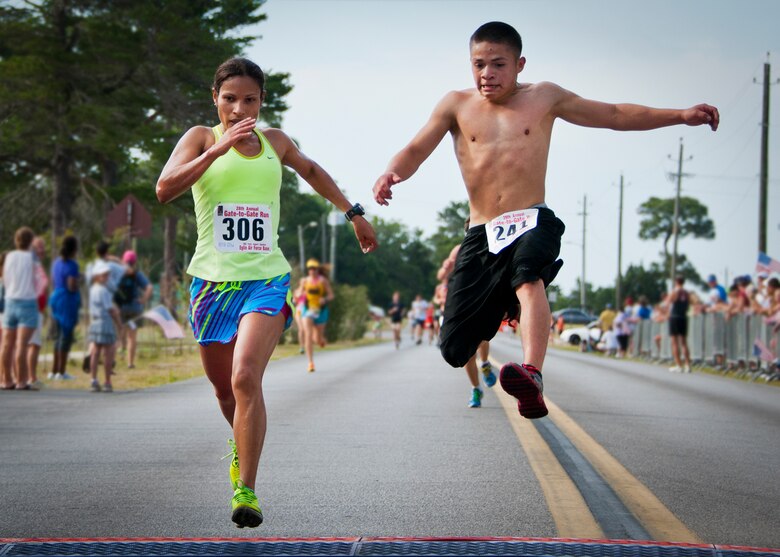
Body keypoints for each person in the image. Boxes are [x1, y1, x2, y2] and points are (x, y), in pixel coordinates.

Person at [372, 21, 718, 419]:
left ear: (520, 64)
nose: (488, 74)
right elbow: (416, 147)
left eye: (498, 64)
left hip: (530, 219)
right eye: (479, 64)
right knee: (454, 350)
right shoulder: (456, 105)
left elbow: (614, 114)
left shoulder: (544, 97)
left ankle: (532, 373)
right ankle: (503, 302)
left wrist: (681, 115)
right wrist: (391, 172)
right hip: (482, 231)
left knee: (527, 276)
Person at [156, 57, 376, 528]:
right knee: (223, 391)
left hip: (266, 279)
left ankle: (246, 491)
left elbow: (312, 170)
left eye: (249, 100)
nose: (239, 109)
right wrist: (216, 152)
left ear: (262, 101)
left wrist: (352, 212)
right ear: (215, 99)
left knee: (244, 377)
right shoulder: (200, 138)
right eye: (230, 99)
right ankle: (241, 440)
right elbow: (164, 188)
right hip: (211, 285)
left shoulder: (275, 143)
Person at [1, 227, 42, 390]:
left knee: (6, 344)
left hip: (10, 301)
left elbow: (5, 278)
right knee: (21, 344)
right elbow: (39, 280)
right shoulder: (32, 258)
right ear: (31, 241)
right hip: (27, 301)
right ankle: (21, 380)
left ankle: (5, 380)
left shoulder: (9, 256)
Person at [48, 235, 81, 380]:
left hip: (55, 297)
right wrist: (80, 283)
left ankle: (54, 370)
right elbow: (71, 285)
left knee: (58, 335)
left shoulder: (56, 263)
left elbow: (54, 281)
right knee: (66, 336)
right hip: (66, 300)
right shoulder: (73, 265)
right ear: (74, 249)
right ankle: (61, 371)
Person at [115, 250, 153, 369]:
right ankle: (130, 363)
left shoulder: (118, 273)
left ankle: (113, 359)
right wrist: (143, 300)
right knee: (132, 336)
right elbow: (149, 287)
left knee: (119, 333)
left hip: (120, 309)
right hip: (135, 309)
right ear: (134, 261)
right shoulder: (136, 274)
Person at [87, 261, 121, 392]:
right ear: (97, 276)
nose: (106, 277)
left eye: (107, 275)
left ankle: (93, 379)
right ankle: (107, 381)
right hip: (105, 323)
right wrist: (118, 321)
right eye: (104, 275)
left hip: (95, 323)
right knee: (108, 353)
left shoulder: (93, 290)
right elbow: (110, 309)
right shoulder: (104, 291)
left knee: (95, 352)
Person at [298, 258, 334, 373]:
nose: (312, 271)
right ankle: (310, 363)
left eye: (314, 268)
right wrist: (299, 294)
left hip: (320, 310)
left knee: (317, 338)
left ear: (317, 270)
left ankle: (320, 340)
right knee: (308, 334)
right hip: (308, 310)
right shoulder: (304, 281)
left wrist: (325, 299)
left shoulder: (323, 281)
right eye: (310, 269)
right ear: (308, 270)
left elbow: (331, 295)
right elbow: (299, 292)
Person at [27, 236, 49, 389]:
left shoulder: (36, 263)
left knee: (32, 344)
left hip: (37, 309)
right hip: (33, 309)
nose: (42, 250)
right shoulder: (32, 263)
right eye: (39, 247)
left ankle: (27, 376)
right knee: (33, 344)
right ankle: (31, 377)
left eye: (43, 246)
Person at [667, 276, 692, 373]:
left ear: (676, 282)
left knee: (674, 342)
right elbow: (688, 304)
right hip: (683, 317)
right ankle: (688, 364)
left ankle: (678, 365)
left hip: (675, 316)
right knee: (684, 342)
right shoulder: (686, 293)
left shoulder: (675, 291)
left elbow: (669, 301)